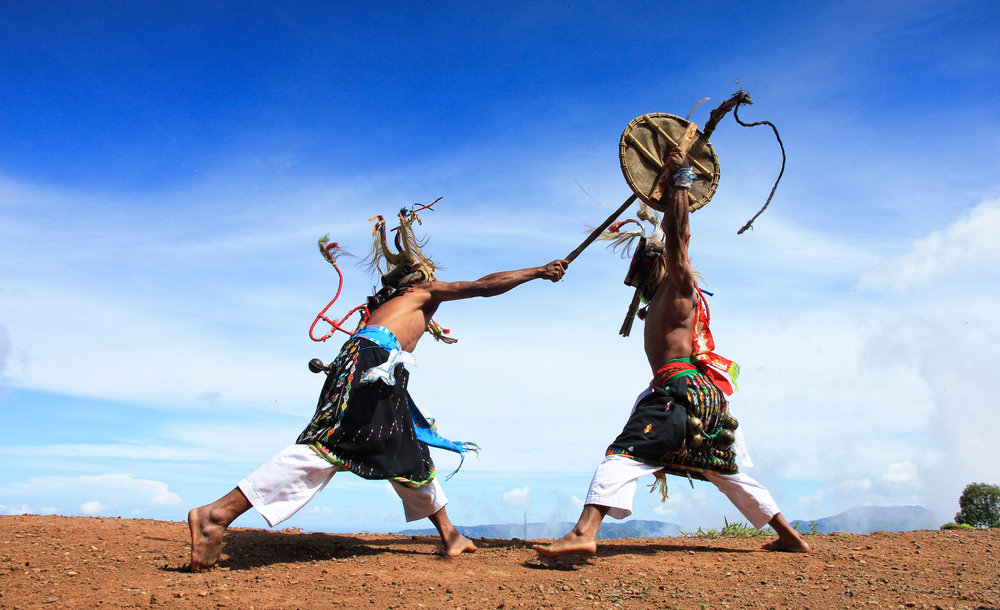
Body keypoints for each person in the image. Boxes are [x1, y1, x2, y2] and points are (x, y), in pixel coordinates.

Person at [189, 203, 568, 570]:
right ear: (418, 280)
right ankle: (216, 514)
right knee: (332, 445)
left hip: (378, 367)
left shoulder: (388, 310)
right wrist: (538, 271)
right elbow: (484, 287)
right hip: (373, 364)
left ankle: (450, 535)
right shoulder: (422, 292)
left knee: (407, 448)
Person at [534, 149, 809, 558]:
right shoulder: (663, 300)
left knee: (623, 455)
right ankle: (789, 536)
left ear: (653, 267)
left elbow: (678, 235)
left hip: (677, 392)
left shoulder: (677, 289)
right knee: (723, 470)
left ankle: (583, 533)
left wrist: (681, 178)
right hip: (699, 397)